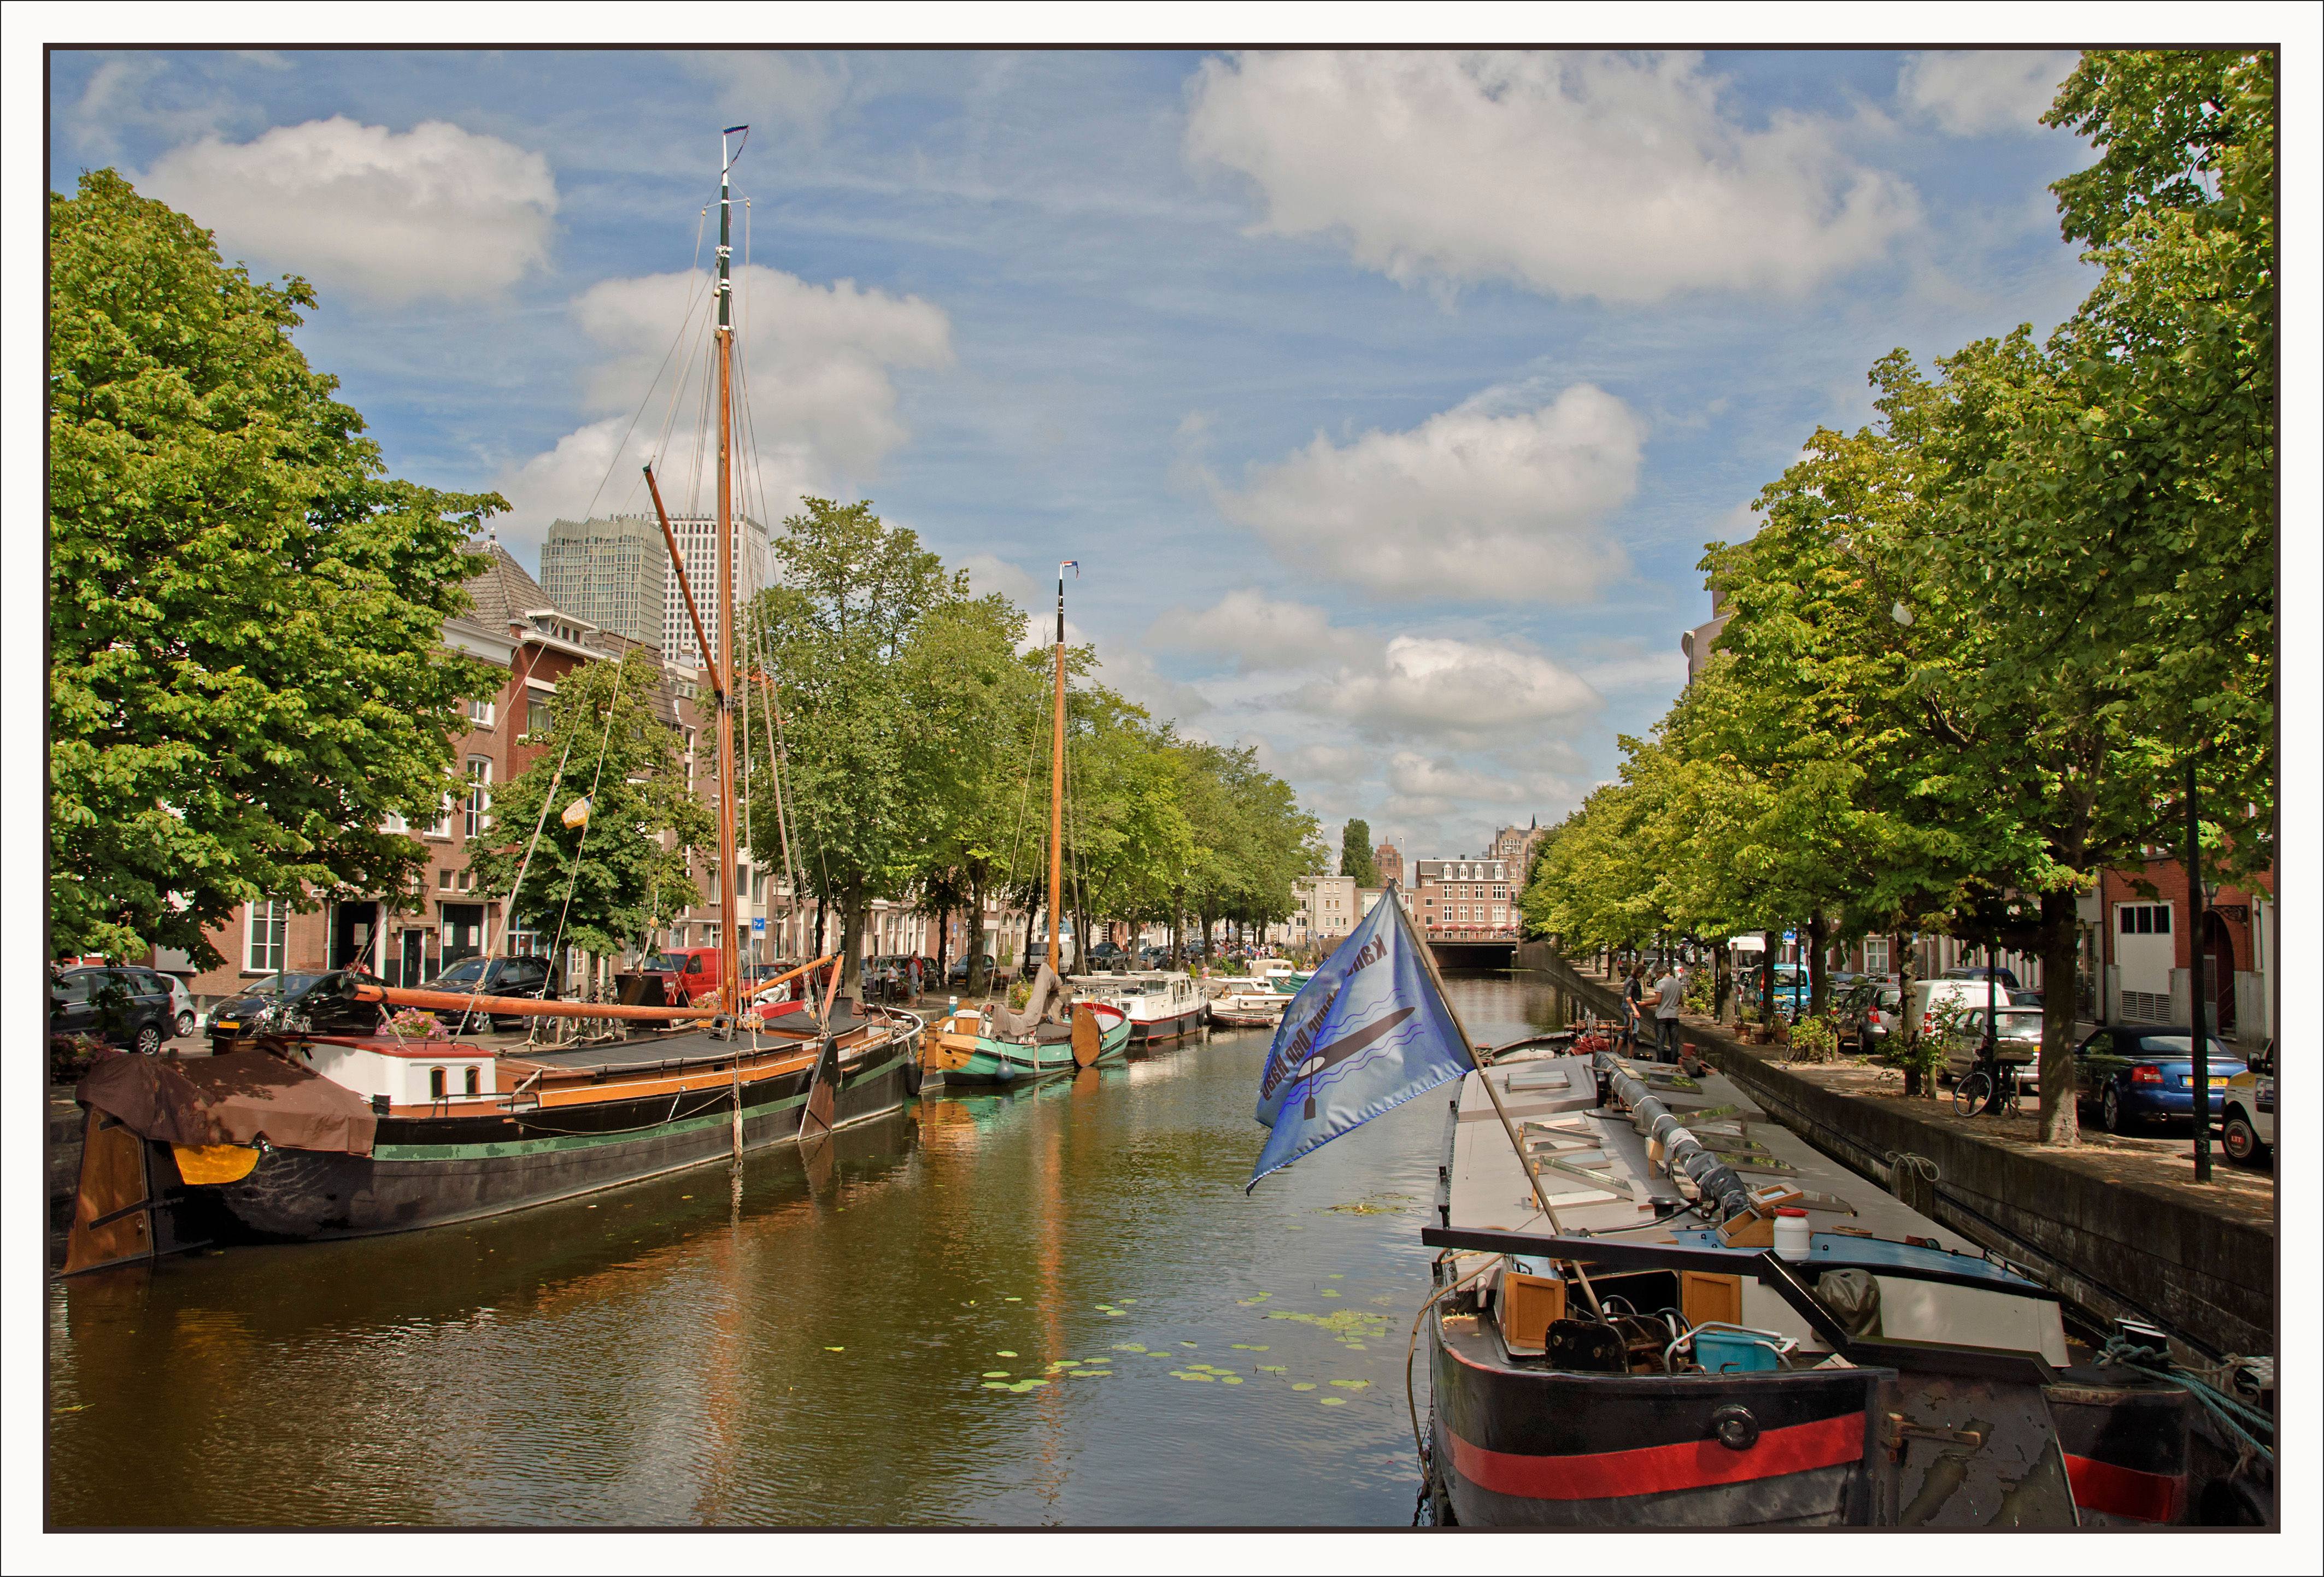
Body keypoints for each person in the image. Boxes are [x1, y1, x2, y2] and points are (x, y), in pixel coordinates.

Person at [1652, 964, 1686, 1062]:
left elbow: (1658, 1000)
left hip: (1662, 1016)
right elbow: (1680, 1001)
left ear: (1660, 973)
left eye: (1657, 974)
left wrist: (1645, 1003)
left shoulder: (1660, 983)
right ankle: (1673, 1062)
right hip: (1674, 1016)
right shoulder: (1678, 984)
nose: (1657, 976)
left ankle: (1661, 1062)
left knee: (1660, 1042)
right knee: (1674, 1042)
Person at [1621, 964, 1646, 1052]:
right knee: (1634, 1030)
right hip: (1630, 1007)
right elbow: (1628, 997)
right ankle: (1630, 1055)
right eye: (1640, 974)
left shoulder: (1629, 979)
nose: (1641, 976)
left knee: (1626, 1029)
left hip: (1626, 1006)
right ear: (1637, 972)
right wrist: (1635, 1011)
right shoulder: (1632, 982)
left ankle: (1618, 1052)